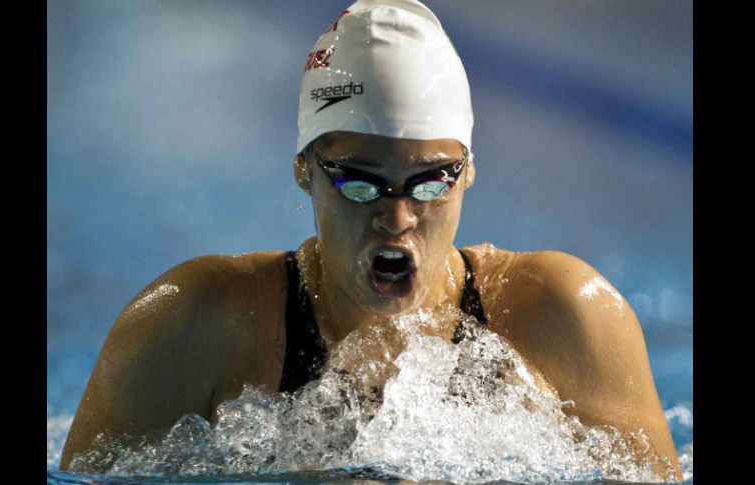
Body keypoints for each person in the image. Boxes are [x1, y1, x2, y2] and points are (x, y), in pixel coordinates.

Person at [59, 0, 682, 480]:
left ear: (467, 171)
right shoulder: (194, 324)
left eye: (431, 182)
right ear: (305, 169)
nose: (398, 216)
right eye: (362, 183)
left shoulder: (563, 316)